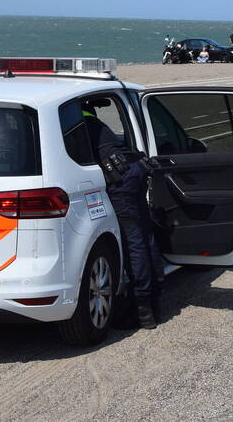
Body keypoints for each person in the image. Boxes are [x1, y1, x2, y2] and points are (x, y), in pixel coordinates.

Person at [82, 101, 164, 329]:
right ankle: (155, 301)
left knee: (133, 243)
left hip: (121, 180)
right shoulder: (94, 122)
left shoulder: (79, 124)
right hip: (133, 169)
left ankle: (142, 309)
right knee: (145, 237)